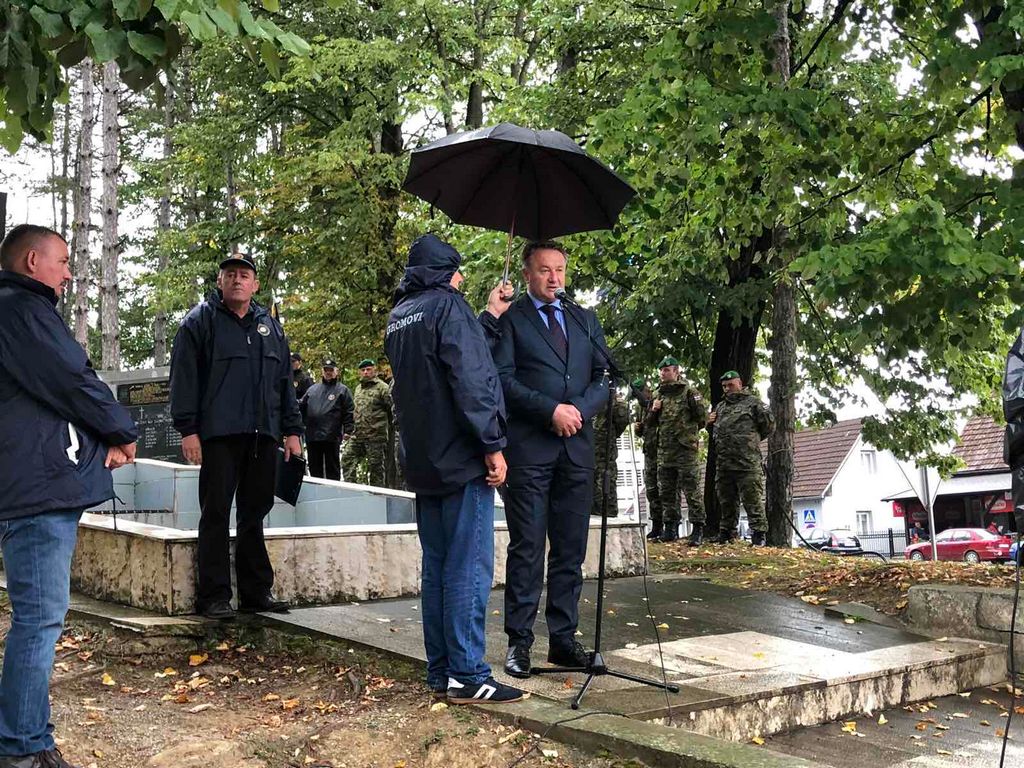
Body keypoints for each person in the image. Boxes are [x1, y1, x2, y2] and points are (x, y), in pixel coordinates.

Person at [0, 224, 138, 768]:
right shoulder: (23, 310)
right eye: (62, 262)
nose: (68, 273)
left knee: (37, 617)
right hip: (35, 491)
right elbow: (72, 379)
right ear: (33, 261)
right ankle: (22, 747)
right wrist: (121, 431)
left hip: (29, 482)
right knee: (39, 618)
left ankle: (29, 738)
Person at [385, 233, 525, 704]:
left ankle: (442, 670)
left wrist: (489, 315)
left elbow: (441, 365)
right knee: (469, 567)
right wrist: (493, 444)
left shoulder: (401, 316)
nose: (462, 278)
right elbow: (471, 379)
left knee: (438, 567)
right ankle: (468, 674)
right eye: (458, 269)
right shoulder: (448, 306)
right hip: (463, 459)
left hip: (424, 460)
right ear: (445, 271)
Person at [494, 240, 609, 679]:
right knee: (527, 548)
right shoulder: (512, 319)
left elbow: (602, 377)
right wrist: (550, 411)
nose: (554, 277)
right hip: (529, 450)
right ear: (527, 274)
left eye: (559, 269)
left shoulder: (584, 318)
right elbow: (503, 379)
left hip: (576, 449)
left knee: (570, 548)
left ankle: (563, 639)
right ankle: (519, 642)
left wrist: (577, 409)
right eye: (544, 270)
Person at [169, 252, 304, 620]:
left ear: (255, 284)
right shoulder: (199, 323)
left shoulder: (270, 327)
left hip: (263, 436)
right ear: (220, 281)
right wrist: (188, 430)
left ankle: (256, 592)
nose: (237, 280)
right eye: (230, 274)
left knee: (255, 512)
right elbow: (183, 380)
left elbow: (284, 384)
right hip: (219, 436)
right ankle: (214, 596)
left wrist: (293, 431)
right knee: (215, 512)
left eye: (244, 275)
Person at [707, 370, 773, 546]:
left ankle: (758, 534)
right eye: (724, 386)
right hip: (724, 463)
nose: (727, 389)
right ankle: (726, 532)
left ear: (740, 384)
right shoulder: (720, 407)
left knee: (752, 499)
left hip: (747, 462)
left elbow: (768, 426)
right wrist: (709, 422)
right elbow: (714, 430)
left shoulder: (754, 403)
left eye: (731, 385)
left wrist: (749, 441)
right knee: (726, 500)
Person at [653, 356, 707, 544]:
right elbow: (650, 424)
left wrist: (687, 433)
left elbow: (702, 418)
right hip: (665, 450)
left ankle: (698, 528)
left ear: (676, 371)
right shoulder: (658, 394)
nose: (663, 373)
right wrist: (654, 410)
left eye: (667, 370)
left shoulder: (690, 392)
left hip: (685, 450)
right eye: (661, 371)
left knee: (691, 490)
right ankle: (670, 528)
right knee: (667, 491)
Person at [300, 360, 354, 480]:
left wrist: (348, 429)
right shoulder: (312, 389)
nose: (328, 372)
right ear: (322, 371)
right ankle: (315, 491)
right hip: (312, 435)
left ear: (336, 371)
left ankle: (333, 491)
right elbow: (301, 407)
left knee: (332, 469)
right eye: (326, 370)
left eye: (331, 370)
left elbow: (349, 410)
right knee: (314, 468)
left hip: (331, 436)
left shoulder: (342, 390)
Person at [342, 359, 392, 487]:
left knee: (376, 469)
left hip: (375, 437)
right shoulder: (358, 388)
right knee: (347, 458)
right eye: (363, 370)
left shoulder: (383, 388)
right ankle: (352, 489)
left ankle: (377, 495)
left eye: (368, 369)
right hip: (358, 435)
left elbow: (392, 409)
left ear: (374, 370)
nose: (365, 372)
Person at [591, 389, 630, 518]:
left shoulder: (612, 399)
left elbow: (622, 421)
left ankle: (608, 513)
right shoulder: (588, 395)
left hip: (605, 450)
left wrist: (610, 435)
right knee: (591, 483)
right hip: (587, 450)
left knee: (606, 483)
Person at [633, 380, 663, 540]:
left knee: (665, 489)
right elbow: (643, 429)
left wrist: (653, 410)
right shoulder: (640, 407)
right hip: (649, 451)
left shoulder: (658, 401)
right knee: (651, 489)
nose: (639, 398)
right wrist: (638, 429)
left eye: (640, 394)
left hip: (662, 450)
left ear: (647, 390)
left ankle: (670, 525)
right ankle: (656, 525)